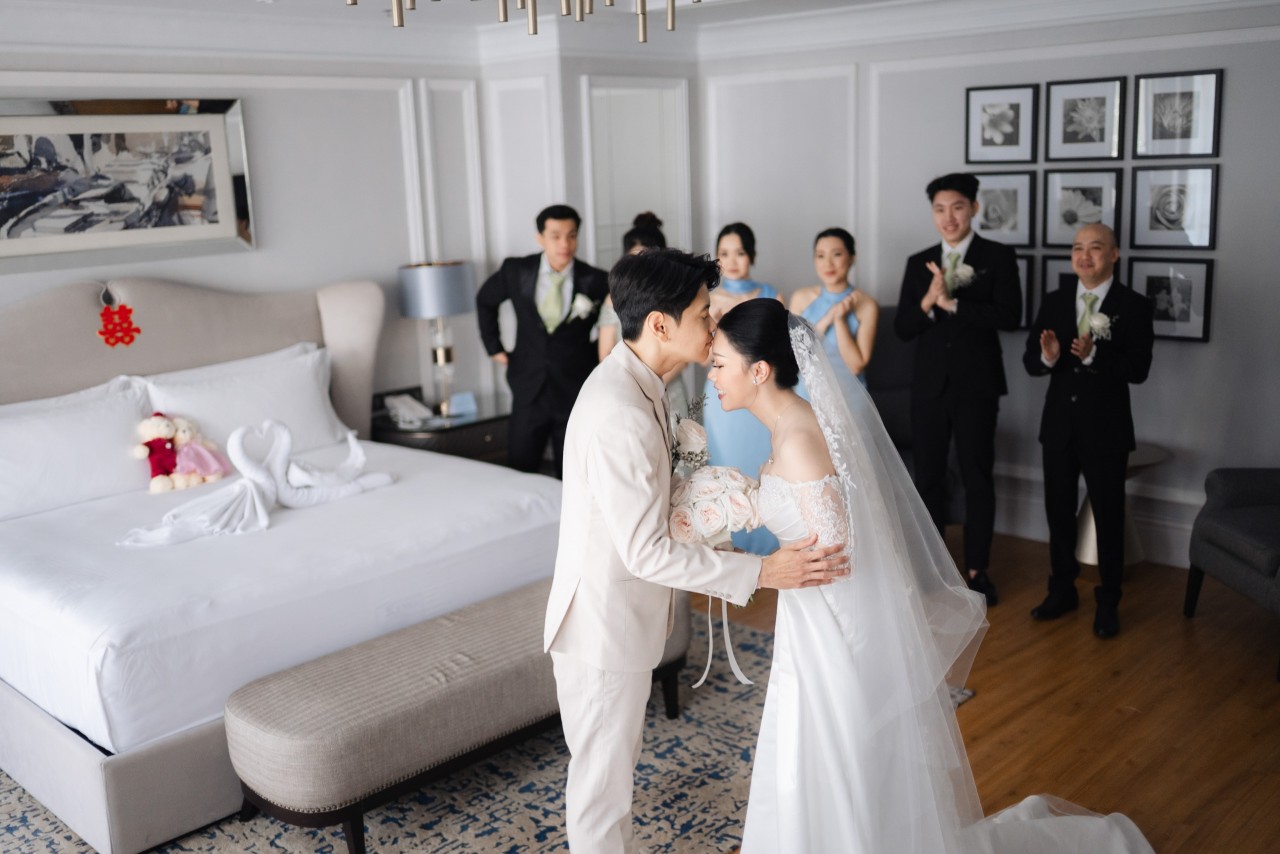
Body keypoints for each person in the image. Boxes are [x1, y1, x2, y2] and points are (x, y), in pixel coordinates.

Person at [712, 299, 1154, 853]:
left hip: (828, 628)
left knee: (826, 753)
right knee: (812, 755)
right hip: (810, 621)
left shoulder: (798, 439)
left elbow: (837, 552)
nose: (712, 374)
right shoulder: (789, 426)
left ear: (758, 370)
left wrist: (767, 565)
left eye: (719, 363)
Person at [543, 249, 849, 854]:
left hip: (619, 621)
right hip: (602, 630)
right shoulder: (619, 411)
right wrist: (761, 569)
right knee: (602, 795)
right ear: (661, 324)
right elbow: (645, 551)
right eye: (703, 315)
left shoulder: (643, 384)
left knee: (612, 781)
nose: (712, 327)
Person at [894, 173, 1022, 605]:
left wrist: (955, 304)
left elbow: (1011, 316)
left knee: (977, 476)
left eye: (958, 208)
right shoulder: (919, 262)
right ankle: (935, 569)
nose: (949, 217)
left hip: (977, 386)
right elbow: (903, 328)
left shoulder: (997, 257)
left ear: (974, 209)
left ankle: (977, 570)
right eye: (940, 209)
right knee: (928, 477)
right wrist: (929, 302)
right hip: (928, 387)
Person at [1023, 224, 1154, 638]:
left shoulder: (1134, 305)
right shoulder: (1055, 300)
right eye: (1077, 248)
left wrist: (1096, 355)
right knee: (1058, 514)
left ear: (1113, 255)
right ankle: (1061, 591)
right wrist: (1049, 357)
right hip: (1058, 427)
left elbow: (1138, 370)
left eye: (1095, 248)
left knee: (1109, 517)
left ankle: (1108, 602)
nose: (1084, 256)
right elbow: (1030, 362)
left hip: (1106, 430)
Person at [475, 204, 609, 478]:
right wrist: (494, 348)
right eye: (556, 236)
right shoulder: (516, 270)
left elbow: (612, 326)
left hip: (575, 388)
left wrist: (596, 359)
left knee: (573, 474)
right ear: (540, 238)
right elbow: (485, 300)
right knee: (520, 468)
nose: (565, 244)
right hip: (528, 386)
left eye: (571, 235)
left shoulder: (597, 280)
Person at [701, 222, 785, 555]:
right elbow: (704, 358)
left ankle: (771, 540)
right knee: (728, 463)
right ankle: (732, 543)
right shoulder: (708, 299)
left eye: (739, 252)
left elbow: (781, 352)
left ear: (751, 254)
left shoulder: (771, 294)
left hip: (762, 391)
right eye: (724, 253)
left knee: (765, 462)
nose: (732, 261)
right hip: (723, 396)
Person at [594, 212, 690, 417]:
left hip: (669, 388)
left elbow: (684, 355)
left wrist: (654, 385)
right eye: (634, 258)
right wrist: (638, 388)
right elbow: (606, 355)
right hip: (629, 391)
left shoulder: (675, 297)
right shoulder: (613, 300)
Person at [790, 227, 879, 402]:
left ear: (852, 258)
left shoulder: (866, 305)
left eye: (837, 254)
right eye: (820, 256)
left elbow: (855, 367)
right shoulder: (801, 298)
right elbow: (795, 356)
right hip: (807, 396)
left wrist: (840, 320)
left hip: (850, 399)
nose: (828, 263)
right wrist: (827, 319)